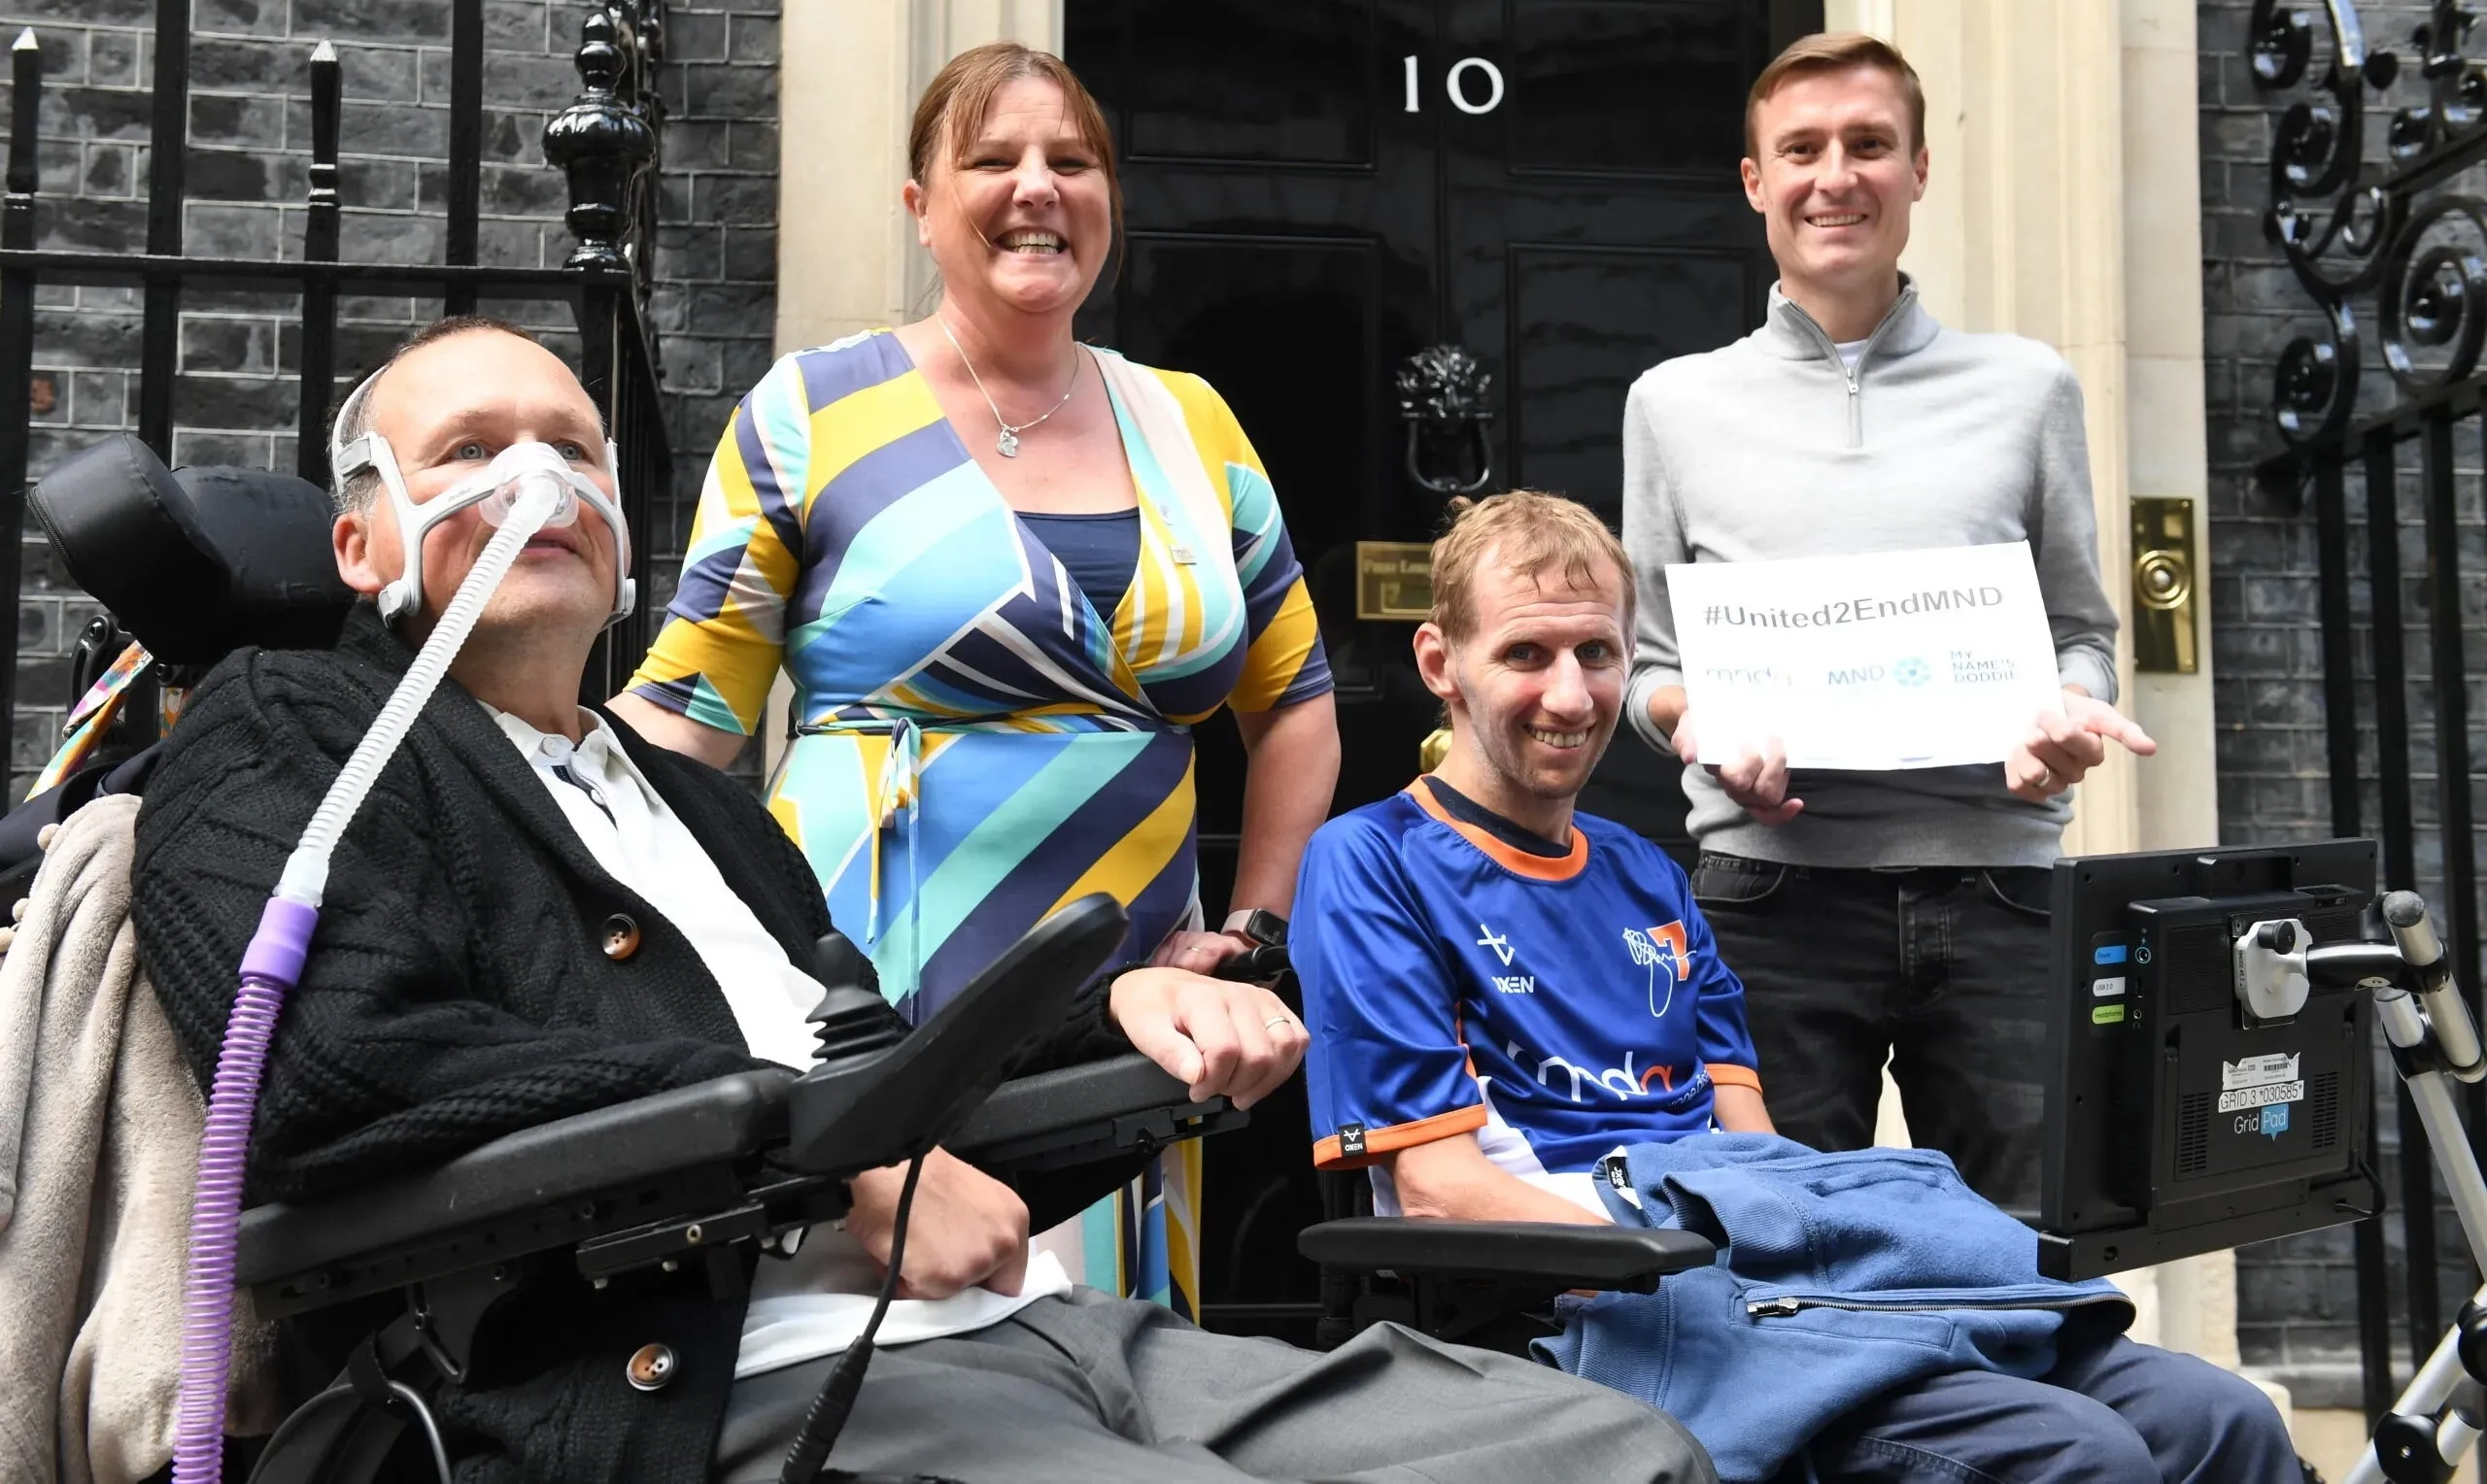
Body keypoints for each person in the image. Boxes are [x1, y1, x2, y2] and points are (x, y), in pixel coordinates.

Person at [128, 320, 1713, 1484]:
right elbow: (330, 1073)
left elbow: (901, 1093)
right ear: (358, 537)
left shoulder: (700, 810)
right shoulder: (296, 729)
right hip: (730, 1373)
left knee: (1616, 1452)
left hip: (1042, 1335)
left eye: (579, 449)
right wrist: (822, 1170)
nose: (543, 475)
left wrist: (1126, 1024)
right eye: (475, 451)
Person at [1289, 491, 2298, 1484]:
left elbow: (1752, 1144)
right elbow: (1435, 1189)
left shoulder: (1646, 873)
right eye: (1526, 653)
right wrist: (1699, 1257)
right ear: (1439, 663)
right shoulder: (1370, 861)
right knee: (2080, 1454)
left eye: (1596, 653)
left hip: (1760, 1278)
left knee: (2220, 1416)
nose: (1570, 694)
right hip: (1592, 1305)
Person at [609, 41, 1341, 1308]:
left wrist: (1253, 931)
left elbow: (1296, 701)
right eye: (993, 159)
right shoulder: (812, 413)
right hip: (872, 992)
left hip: (1125, 1002)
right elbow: (685, 717)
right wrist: (503, 795)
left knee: (1091, 1369)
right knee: (880, 1361)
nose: (1037, 186)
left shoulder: (1194, 424)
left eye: (1072, 159)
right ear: (921, 209)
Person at [1619, 33, 2155, 1213]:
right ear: (1755, 181)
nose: (1835, 176)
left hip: (2004, 887)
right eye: (1800, 149)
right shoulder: (1672, 403)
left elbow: (2081, 631)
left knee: (2035, 1251)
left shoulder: (2026, 387)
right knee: (1772, 1259)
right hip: (1770, 899)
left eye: (1868, 145)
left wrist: (2066, 709)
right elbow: (1645, 669)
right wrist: (1700, 721)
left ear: (1918, 169)